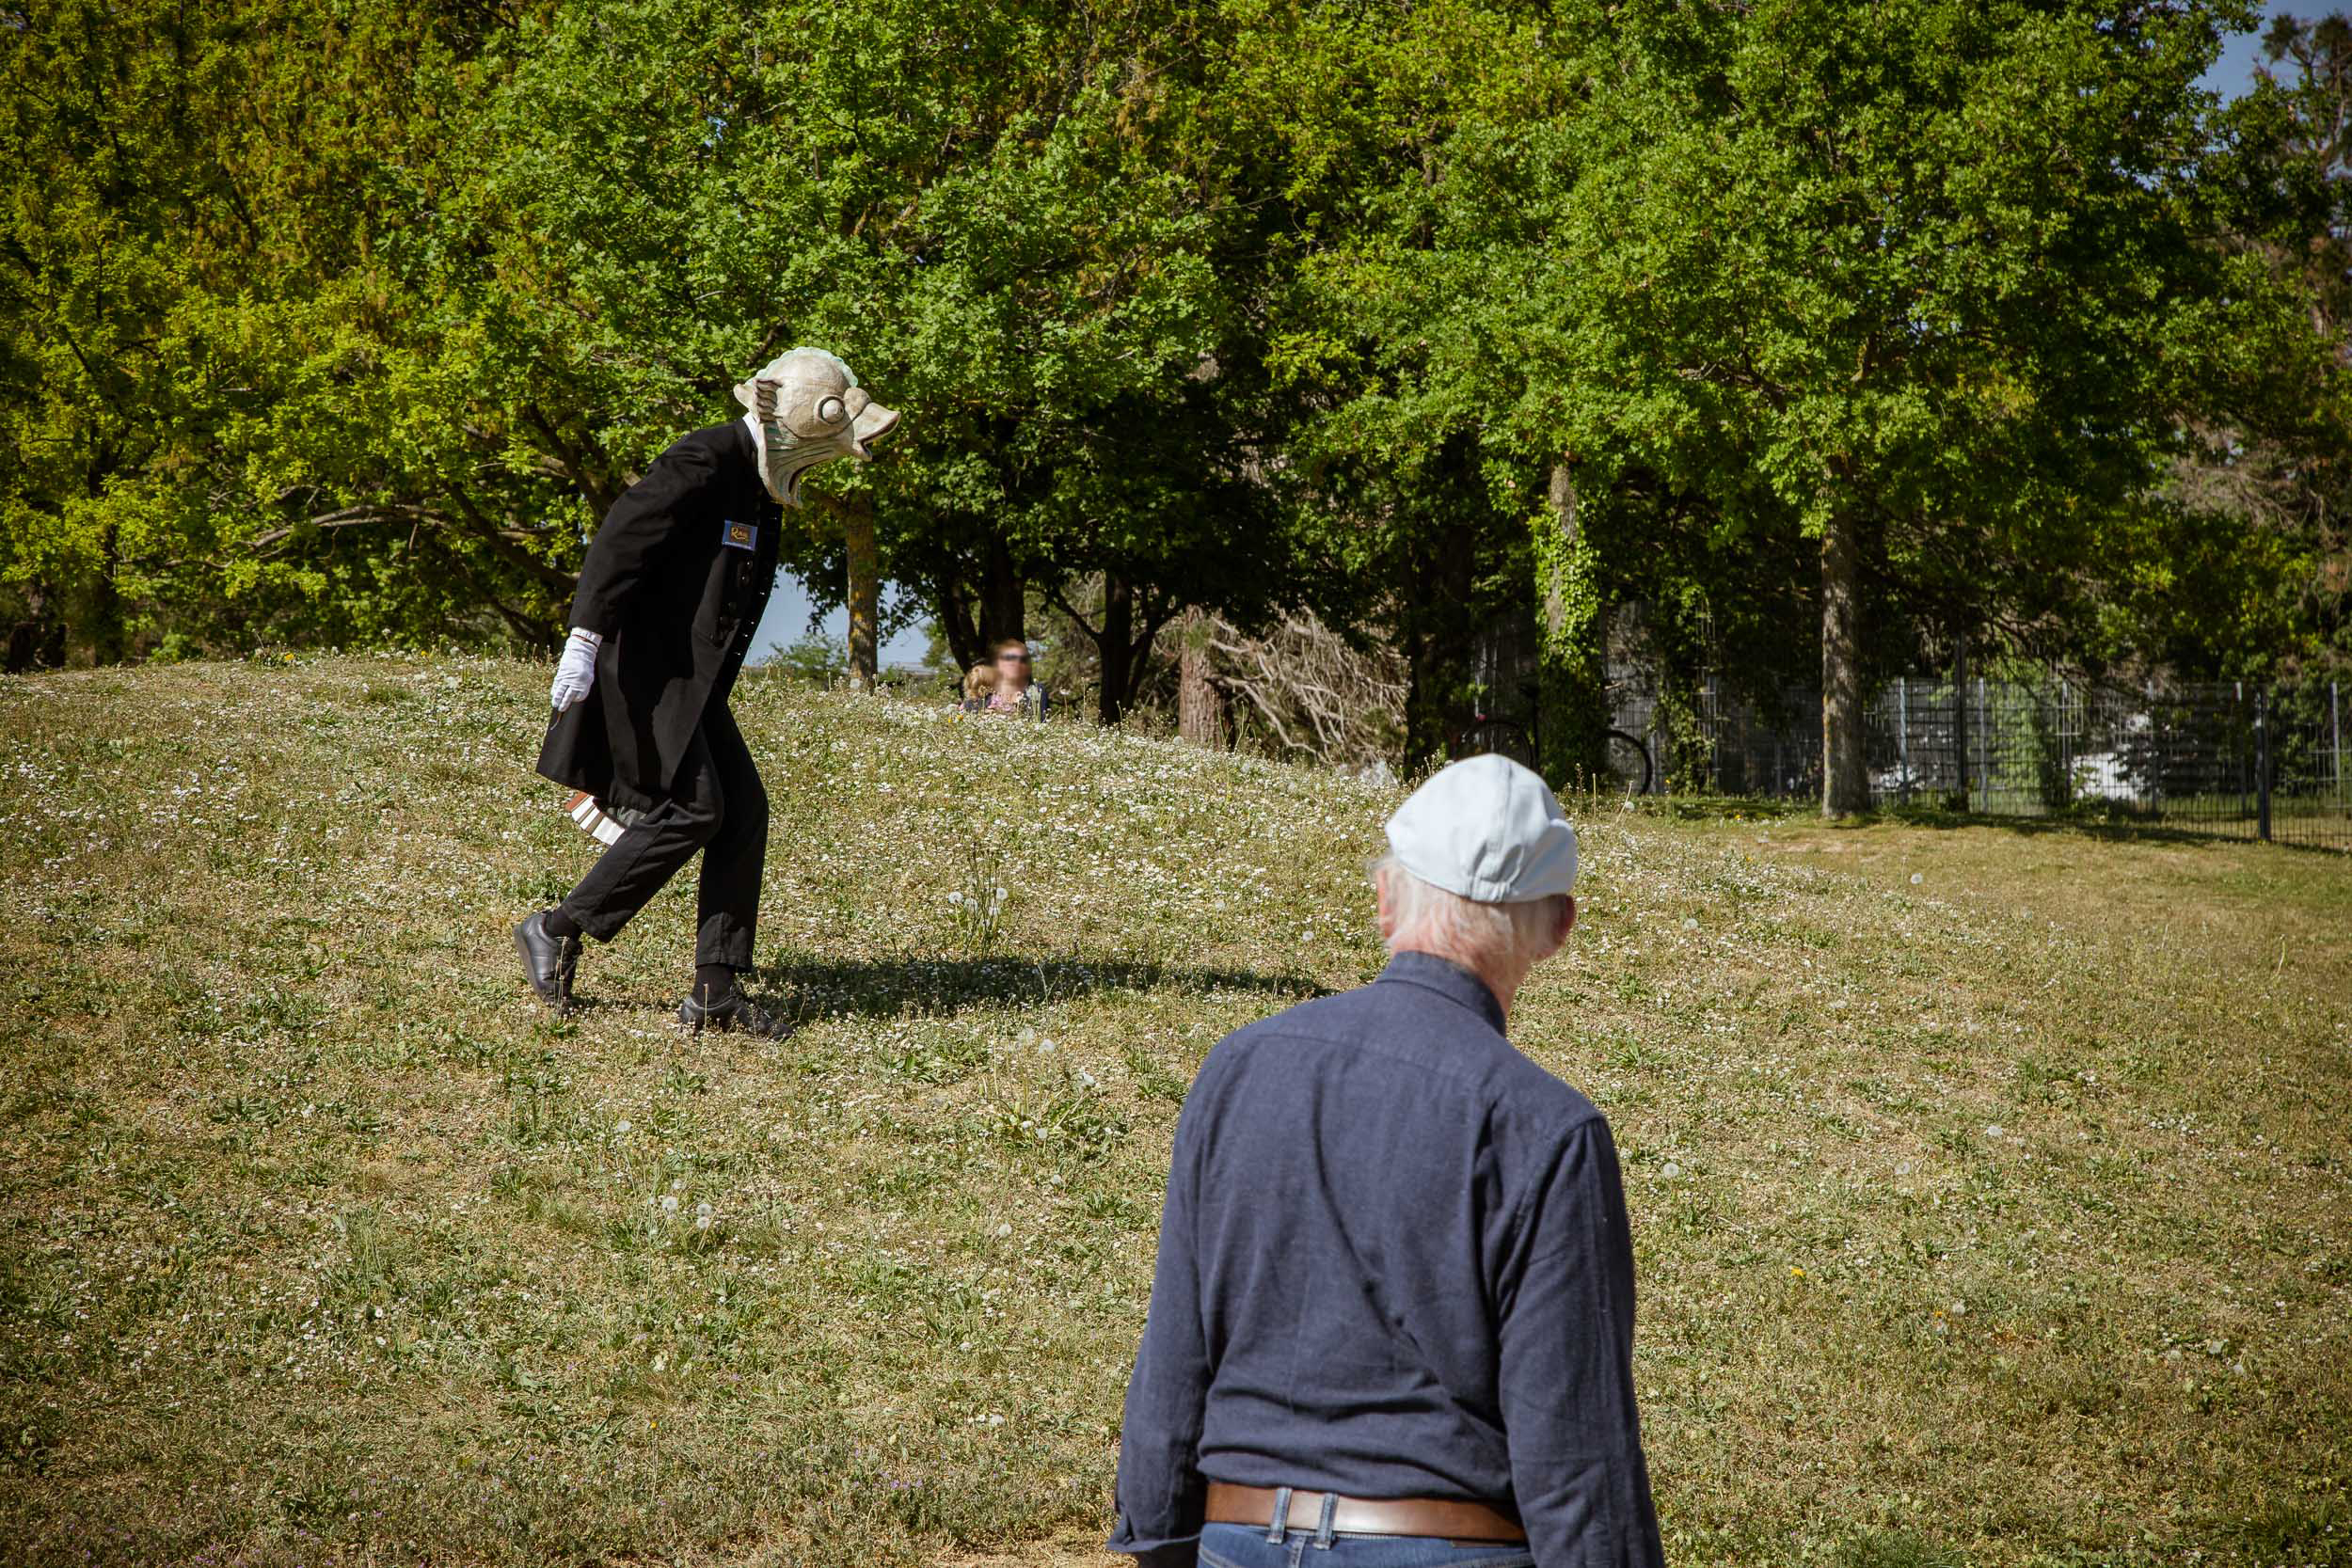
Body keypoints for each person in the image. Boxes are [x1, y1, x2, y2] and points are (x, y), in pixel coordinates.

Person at [1109, 754, 1661, 1568]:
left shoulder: (1237, 1068)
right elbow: (1577, 1455)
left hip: (1236, 1541)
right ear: (1557, 927)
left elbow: (1175, 1358)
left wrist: (1158, 1536)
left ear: (1383, 898)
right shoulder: (1546, 1129)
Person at [513, 346, 898, 1032]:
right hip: (646, 668)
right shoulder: (706, 458)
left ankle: (715, 990)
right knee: (696, 808)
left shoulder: (755, 481)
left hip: (690, 681)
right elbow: (620, 538)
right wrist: (583, 640)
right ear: (788, 419)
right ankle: (556, 927)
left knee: (742, 810)